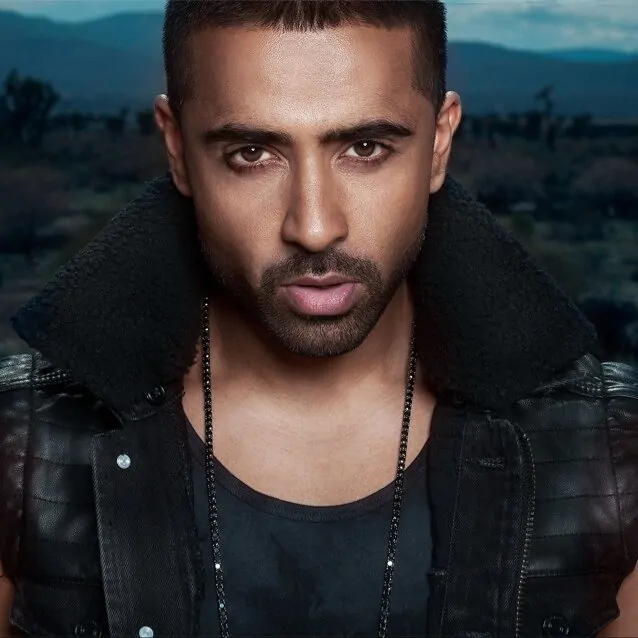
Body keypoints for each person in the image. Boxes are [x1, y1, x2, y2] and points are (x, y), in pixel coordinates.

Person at [1, 1, 637, 636]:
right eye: (252, 153)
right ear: (177, 148)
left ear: (440, 143)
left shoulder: (612, 452)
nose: (313, 227)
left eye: (365, 148)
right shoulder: (21, 444)